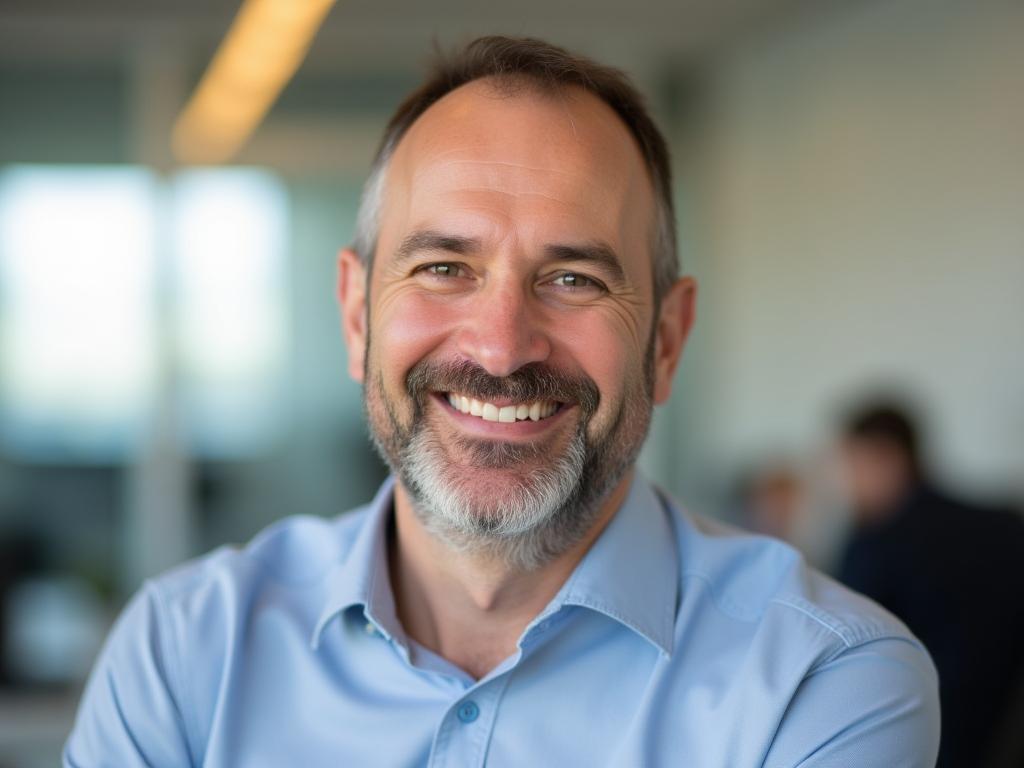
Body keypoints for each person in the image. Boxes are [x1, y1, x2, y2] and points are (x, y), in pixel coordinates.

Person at [65, 37, 939, 767]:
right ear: (355, 315)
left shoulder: (824, 680)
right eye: (445, 268)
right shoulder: (183, 653)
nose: (500, 344)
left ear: (665, 342)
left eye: (573, 277)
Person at [836, 400, 1024, 768]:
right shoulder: (1005, 525)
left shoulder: (878, 542)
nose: (849, 483)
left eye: (853, 465)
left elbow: (847, 655)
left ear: (886, 457)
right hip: (1003, 734)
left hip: (918, 736)